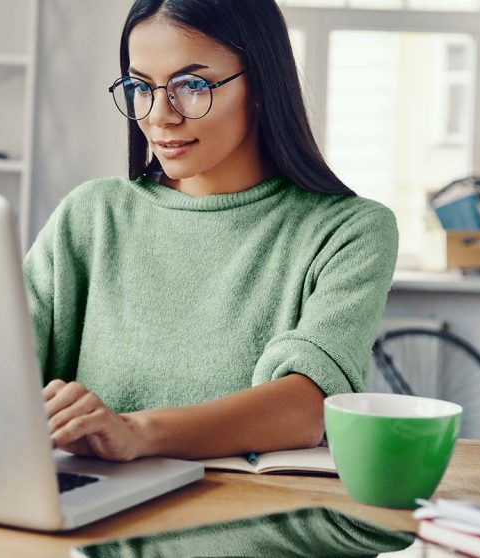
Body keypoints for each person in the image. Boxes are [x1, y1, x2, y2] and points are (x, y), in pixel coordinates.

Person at [22, 0, 398, 462]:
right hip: (94, 519)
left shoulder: (350, 231)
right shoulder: (91, 215)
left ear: (261, 84)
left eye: (192, 85)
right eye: (141, 87)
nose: (160, 114)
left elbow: (306, 406)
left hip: (256, 523)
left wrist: (137, 432)